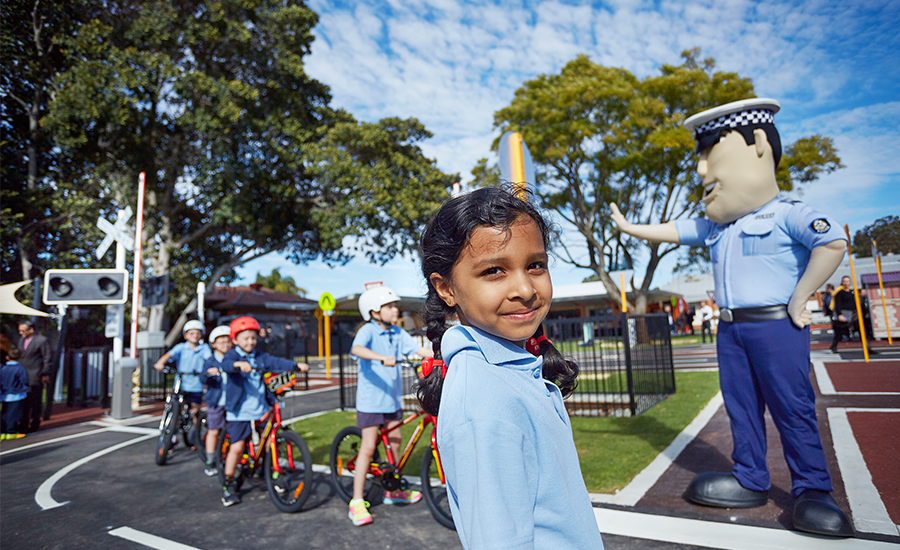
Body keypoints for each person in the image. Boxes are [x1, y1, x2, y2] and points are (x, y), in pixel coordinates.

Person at [611, 98, 852, 537]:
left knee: (792, 408)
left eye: (711, 153)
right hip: (731, 329)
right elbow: (674, 230)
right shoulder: (718, 227)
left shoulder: (787, 214)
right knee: (740, 407)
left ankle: (813, 489)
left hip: (775, 326)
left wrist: (800, 298)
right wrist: (629, 229)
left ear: (758, 143)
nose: (703, 170)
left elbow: (832, 243)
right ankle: (750, 477)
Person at [418, 186, 605, 549]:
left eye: (535, 265)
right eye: (493, 271)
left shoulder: (509, 371)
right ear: (446, 289)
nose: (524, 288)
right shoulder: (485, 401)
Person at [346, 284, 433, 526]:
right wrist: (380, 357)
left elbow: (418, 349)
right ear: (374, 312)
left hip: (391, 399)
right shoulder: (369, 331)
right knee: (368, 446)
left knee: (395, 443)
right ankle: (356, 501)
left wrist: (437, 356)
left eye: (395, 305)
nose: (395, 310)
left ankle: (392, 490)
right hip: (371, 401)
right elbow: (356, 349)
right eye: (389, 306)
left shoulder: (397, 332)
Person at [219, 316, 309, 506]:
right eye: (246, 338)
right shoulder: (233, 355)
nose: (250, 342)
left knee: (270, 442)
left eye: (253, 338)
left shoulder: (260, 356)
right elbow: (225, 365)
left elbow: (276, 362)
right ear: (235, 340)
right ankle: (228, 483)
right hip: (239, 411)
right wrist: (238, 365)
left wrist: (295, 366)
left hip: (260, 408)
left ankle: (272, 471)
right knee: (237, 447)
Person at [153, 320, 211, 447]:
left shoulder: (204, 348)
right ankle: (172, 435)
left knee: (195, 410)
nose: (194, 336)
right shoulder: (181, 347)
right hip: (181, 383)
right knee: (176, 407)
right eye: (191, 333)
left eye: (197, 333)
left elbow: (209, 360)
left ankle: (196, 436)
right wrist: (160, 363)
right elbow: (168, 355)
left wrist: (211, 368)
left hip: (196, 384)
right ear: (185, 335)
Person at [200, 325, 232, 476]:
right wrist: (208, 373)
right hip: (217, 402)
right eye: (221, 342)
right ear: (214, 344)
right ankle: (210, 460)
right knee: (214, 430)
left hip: (233, 402)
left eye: (227, 341)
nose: (225, 344)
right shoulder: (211, 361)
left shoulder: (234, 358)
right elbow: (202, 377)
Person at [16, 321, 52, 433]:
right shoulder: (21, 340)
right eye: (20, 331)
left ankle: (35, 423)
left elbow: (47, 358)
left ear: (31, 330)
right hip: (23, 374)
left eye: (23, 330)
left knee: (35, 401)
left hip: (35, 374)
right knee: (24, 400)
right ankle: (23, 423)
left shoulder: (41, 340)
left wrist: (45, 373)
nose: (21, 333)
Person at [1, 347, 29, 439]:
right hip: (16, 394)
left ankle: (3, 431)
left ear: (7, 357)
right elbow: (24, 380)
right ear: (20, 357)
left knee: (4, 413)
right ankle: (11, 431)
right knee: (14, 414)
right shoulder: (20, 369)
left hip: (4, 394)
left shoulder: (3, 369)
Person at [829, 276, 854, 353]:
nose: (846, 283)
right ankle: (834, 346)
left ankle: (867, 347)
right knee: (839, 331)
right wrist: (839, 314)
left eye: (847, 281)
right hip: (842, 313)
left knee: (847, 329)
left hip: (850, 313)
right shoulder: (839, 292)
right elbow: (838, 304)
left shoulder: (851, 292)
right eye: (844, 281)